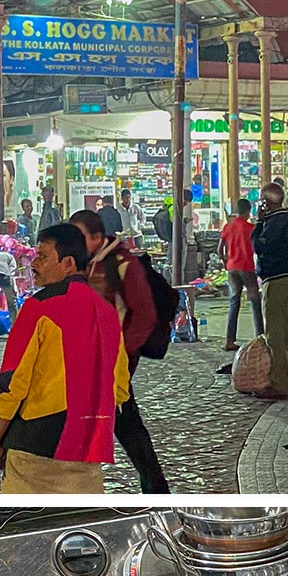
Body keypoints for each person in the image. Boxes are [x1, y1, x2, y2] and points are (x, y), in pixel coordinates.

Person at [0, 221, 129, 492]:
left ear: (68, 264)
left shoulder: (38, 307)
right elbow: (120, 387)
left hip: (35, 447)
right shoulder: (107, 313)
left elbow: (13, 381)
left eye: (42, 257)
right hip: (89, 451)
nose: (34, 264)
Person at [71, 209, 168, 492]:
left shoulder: (123, 264)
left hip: (114, 361)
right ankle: (154, 487)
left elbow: (145, 315)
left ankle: (155, 489)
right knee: (124, 425)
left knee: (126, 425)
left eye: (80, 238)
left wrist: (122, 353)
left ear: (97, 237)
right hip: (90, 359)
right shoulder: (86, 263)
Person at [249, 182, 288, 399]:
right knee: (287, 330)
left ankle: (280, 383)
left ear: (267, 202)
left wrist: (259, 222)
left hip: (276, 279)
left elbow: (259, 246)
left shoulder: (274, 222)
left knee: (275, 333)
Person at [219, 198, 259, 352]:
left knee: (234, 303)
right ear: (248, 212)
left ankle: (230, 340)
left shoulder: (228, 227)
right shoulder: (251, 228)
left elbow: (219, 249)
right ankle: (260, 337)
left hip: (232, 268)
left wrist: (226, 262)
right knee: (255, 302)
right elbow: (257, 248)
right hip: (246, 267)